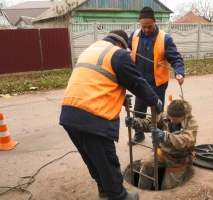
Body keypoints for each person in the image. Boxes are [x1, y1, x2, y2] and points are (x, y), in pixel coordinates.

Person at [59, 30, 162, 200]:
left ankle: (104, 189)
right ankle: (119, 196)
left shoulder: (91, 49)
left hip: (69, 113)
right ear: (122, 43)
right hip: (93, 116)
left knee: (92, 159)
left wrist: (119, 95)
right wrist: (155, 101)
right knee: (107, 160)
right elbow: (136, 82)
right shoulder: (118, 53)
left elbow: (96, 81)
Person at [128, 6, 186, 144]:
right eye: (144, 27)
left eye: (149, 26)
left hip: (158, 83)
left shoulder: (165, 38)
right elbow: (126, 48)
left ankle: (157, 137)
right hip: (141, 83)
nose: (146, 29)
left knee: (157, 113)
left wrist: (179, 72)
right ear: (140, 24)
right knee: (139, 110)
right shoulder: (134, 36)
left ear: (155, 22)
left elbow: (176, 58)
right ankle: (139, 134)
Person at [125, 99, 198, 190]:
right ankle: (143, 192)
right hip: (164, 153)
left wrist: (164, 136)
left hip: (178, 160)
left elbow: (185, 141)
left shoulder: (192, 124)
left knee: (167, 188)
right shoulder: (166, 115)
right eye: (170, 117)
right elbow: (150, 122)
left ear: (182, 116)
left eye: (173, 119)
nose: (171, 121)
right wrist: (135, 122)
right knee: (147, 164)